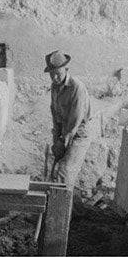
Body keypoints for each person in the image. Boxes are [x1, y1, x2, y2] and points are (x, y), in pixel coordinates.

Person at [45, 50, 93, 189]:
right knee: (54, 173)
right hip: (64, 133)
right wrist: (56, 139)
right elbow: (55, 115)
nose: (55, 78)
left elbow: (74, 121)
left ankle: (63, 202)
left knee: (65, 172)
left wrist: (62, 142)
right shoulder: (54, 87)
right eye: (51, 74)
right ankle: (54, 200)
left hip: (79, 134)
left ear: (66, 69)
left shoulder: (77, 88)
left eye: (58, 74)